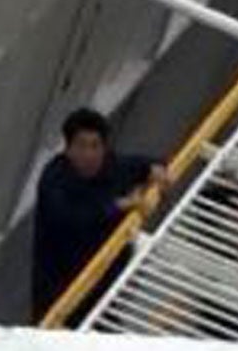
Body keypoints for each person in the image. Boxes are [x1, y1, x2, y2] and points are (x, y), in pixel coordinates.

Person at [30, 107, 168, 322]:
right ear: (68, 149)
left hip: (106, 289)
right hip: (60, 291)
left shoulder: (113, 166)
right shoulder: (55, 179)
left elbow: (148, 164)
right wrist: (118, 206)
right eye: (81, 146)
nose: (89, 155)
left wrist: (156, 168)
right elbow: (68, 219)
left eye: (95, 146)